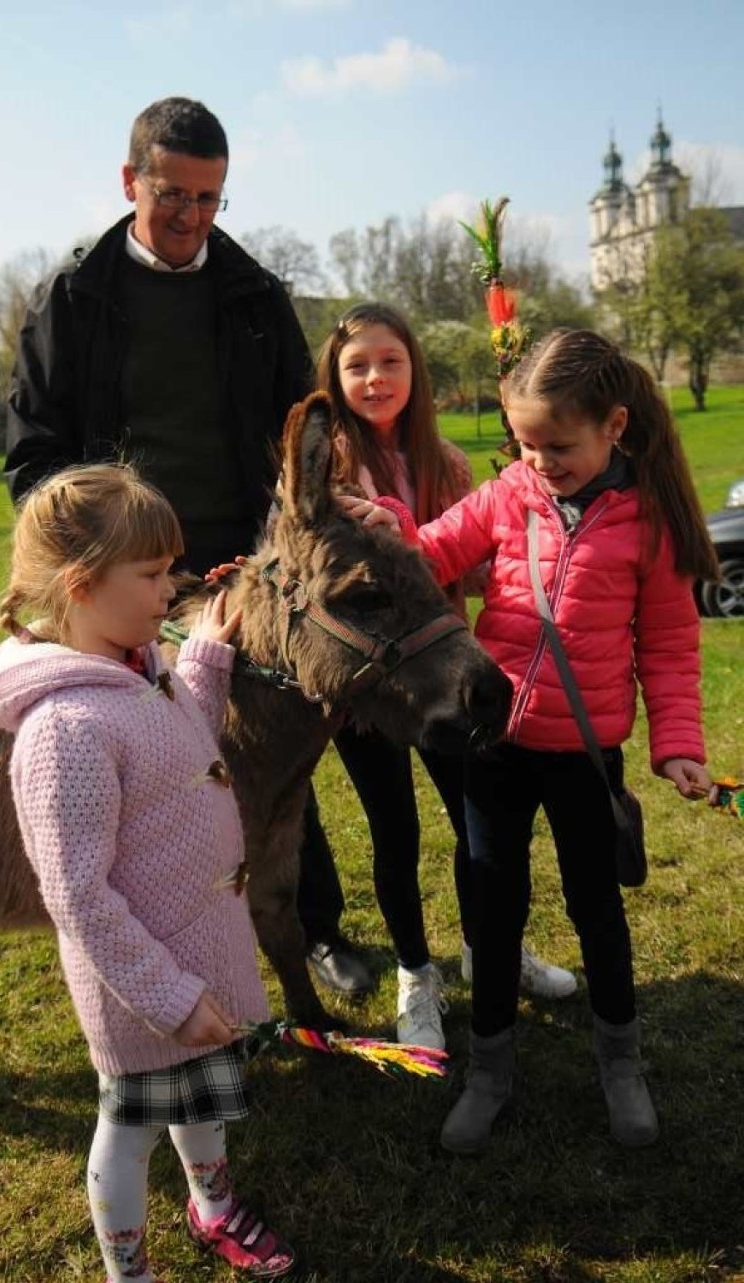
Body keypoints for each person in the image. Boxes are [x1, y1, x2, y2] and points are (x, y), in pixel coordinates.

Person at [3, 94, 369, 998]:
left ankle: (311, 925)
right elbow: (34, 456)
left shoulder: (253, 294)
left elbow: (301, 429)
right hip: (124, 575)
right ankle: (161, 941)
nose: (190, 217)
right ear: (130, 181)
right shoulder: (74, 298)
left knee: (275, 751)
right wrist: (104, 556)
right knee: (151, 760)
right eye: (173, 194)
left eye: (211, 199)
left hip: (248, 567)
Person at [342, 327, 717, 1152]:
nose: (539, 460)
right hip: (493, 750)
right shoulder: (510, 492)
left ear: (614, 427)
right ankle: (490, 1071)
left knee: (596, 910)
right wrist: (389, 525)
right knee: (493, 910)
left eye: (558, 444)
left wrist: (677, 744)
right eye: (525, 443)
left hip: (585, 758)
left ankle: (621, 1064)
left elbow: (669, 647)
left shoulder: (650, 523)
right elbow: (434, 551)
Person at [0, 463, 295, 1281]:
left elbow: (180, 737)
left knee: (205, 1100)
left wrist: (208, 659)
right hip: (143, 988)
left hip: (200, 956)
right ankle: (128, 1270)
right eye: (152, 574)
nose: (171, 588)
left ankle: (213, 1205)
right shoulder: (66, 728)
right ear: (82, 584)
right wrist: (170, 999)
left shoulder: (139, 668)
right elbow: (77, 896)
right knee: (132, 1127)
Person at [314, 303, 576, 1051]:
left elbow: (471, 561)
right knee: (393, 830)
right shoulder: (323, 467)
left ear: (414, 369)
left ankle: (485, 947)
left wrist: (522, 518)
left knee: (475, 822)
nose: (374, 377)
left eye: (390, 361)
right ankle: (413, 973)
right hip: (368, 687)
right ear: (334, 375)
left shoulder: (449, 463)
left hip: (442, 680)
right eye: (357, 364)